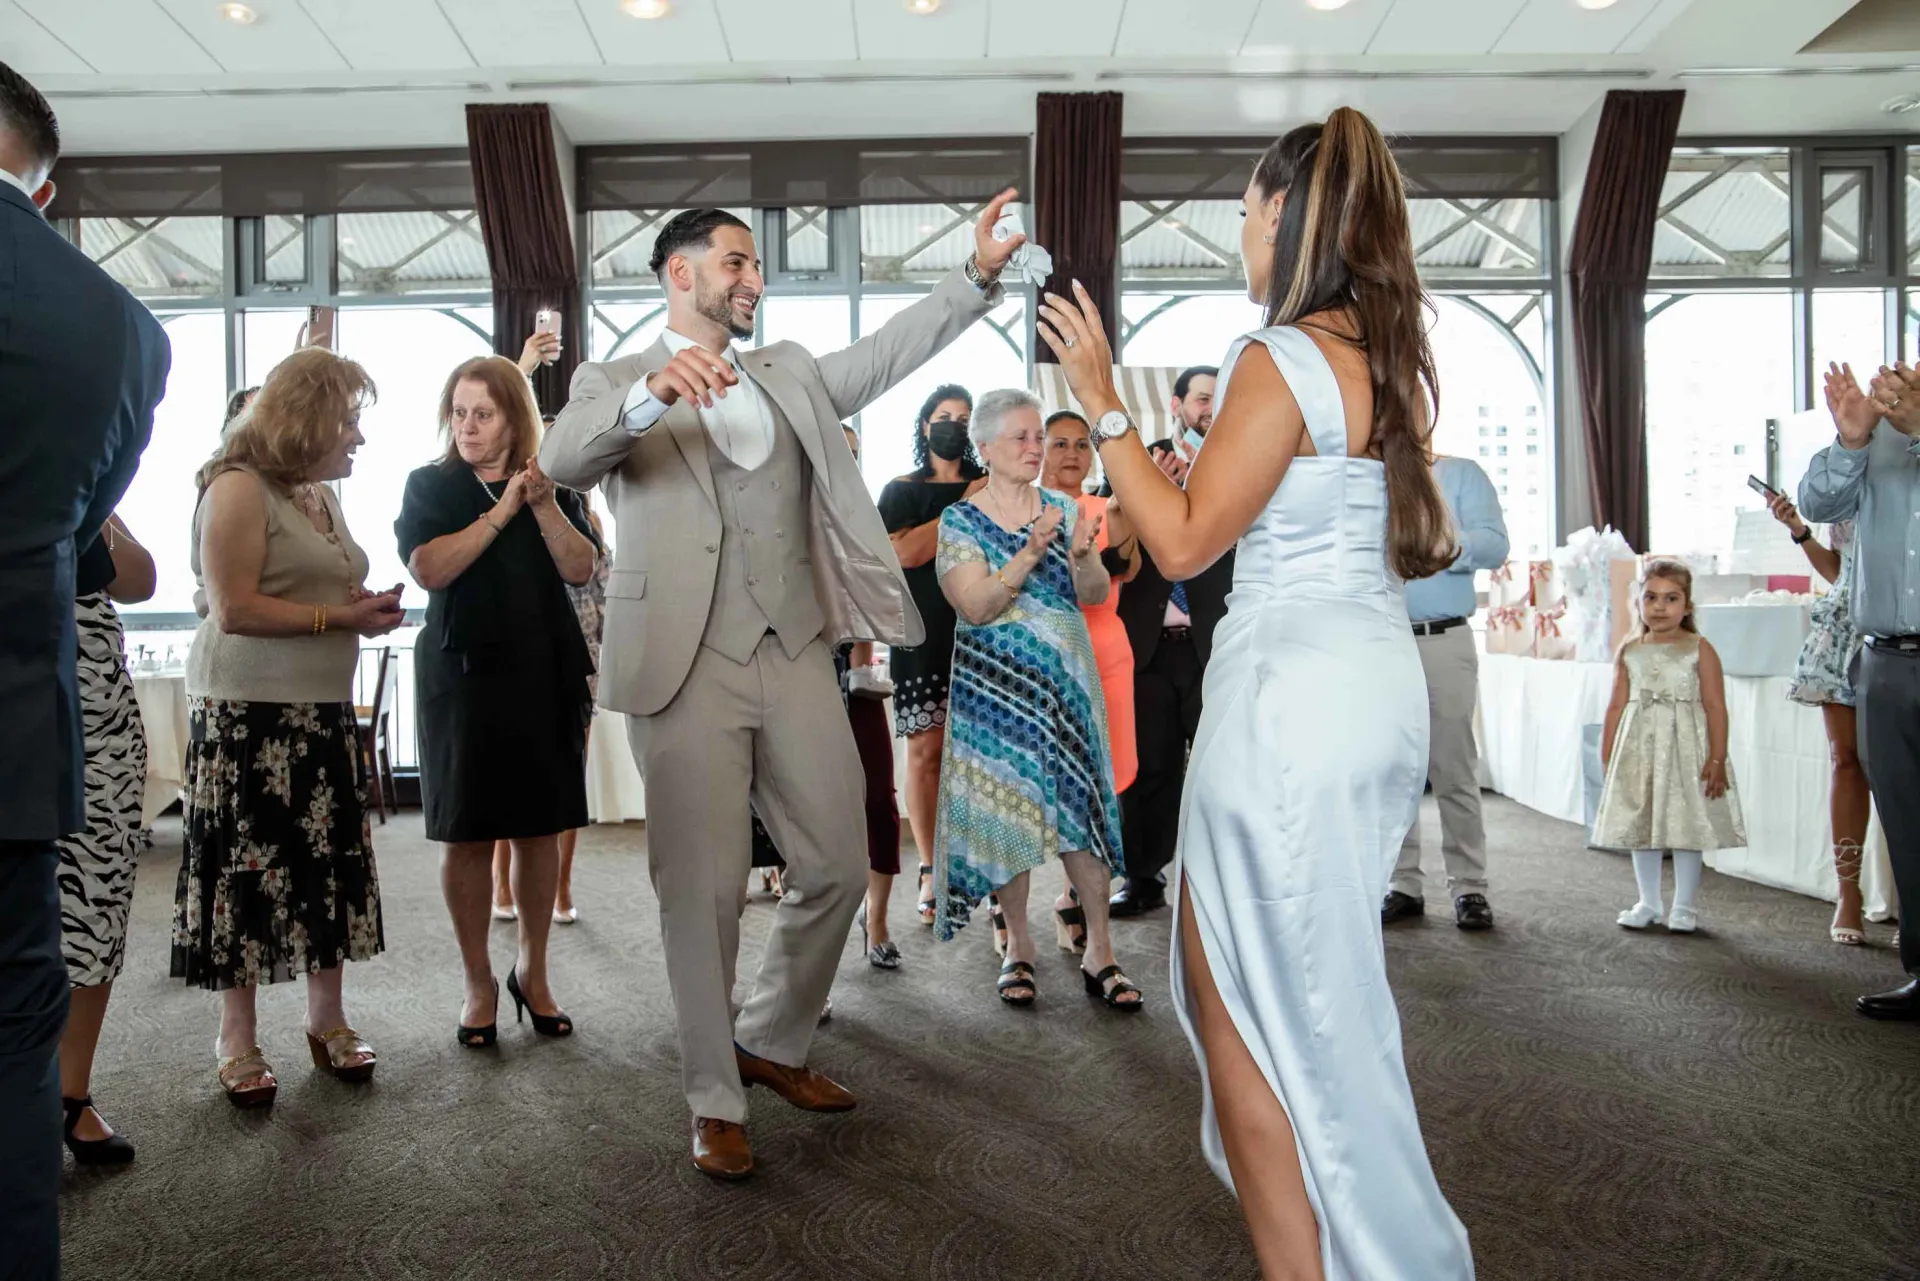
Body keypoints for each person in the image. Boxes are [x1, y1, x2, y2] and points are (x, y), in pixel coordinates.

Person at [1037, 107, 1475, 1277]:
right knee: (1318, 1001)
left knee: (1244, 1005)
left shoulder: (1276, 356)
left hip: (1290, 702)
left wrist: (1103, 398)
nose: (1240, 231)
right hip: (1370, 685)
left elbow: (1182, 543)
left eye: (1244, 210)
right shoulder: (1387, 358)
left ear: (1283, 213)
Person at [540, 195, 1023, 1180]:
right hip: (682, 661)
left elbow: (886, 354)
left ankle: (768, 1037)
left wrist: (974, 277)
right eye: (736, 262)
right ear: (681, 273)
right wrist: (653, 395)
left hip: (796, 648)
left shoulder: (790, 371)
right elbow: (563, 457)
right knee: (703, 890)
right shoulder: (615, 379)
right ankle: (714, 1098)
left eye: (756, 265)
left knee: (840, 859)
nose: (753, 279)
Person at [0, 59, 167, 1271]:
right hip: (19, 742)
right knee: (15, 1039)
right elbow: (82, 539)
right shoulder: (122, 331)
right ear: (46, 192)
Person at [177, 346, 404, 1108]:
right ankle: (236, 1035)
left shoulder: (319, 493)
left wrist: (360, 607)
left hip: (321, 710)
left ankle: (325, 1018)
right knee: (245, 873)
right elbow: (233, 607)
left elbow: (318, 588)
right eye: (349, 421)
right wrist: (340, 617)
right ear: (307, 421)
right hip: (248, 717)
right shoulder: (237, 486)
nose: (359, 437)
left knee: (323, 868)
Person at [397, 356, 599, 1049]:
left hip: (542, 673)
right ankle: (478, 981)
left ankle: (532, 971)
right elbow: (429, 567)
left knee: (539, 828)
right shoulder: (431, 485)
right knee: (467, 832)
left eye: (482, 414)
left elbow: (581, 567)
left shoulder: (553, 485)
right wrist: (502, 509)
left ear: (515, 419)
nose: (467, 427)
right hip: (461, 677)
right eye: (458, 413)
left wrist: (538, 503)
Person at [931, 390, 1135, 1012]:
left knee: (1083, 815)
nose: (1034, 447)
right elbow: (975, 605)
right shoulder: (960, 522)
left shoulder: (1064, 507)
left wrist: (1081, 555)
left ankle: (1100, 950)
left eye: (1037, 436)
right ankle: (1018, 946)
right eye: (1020, 437)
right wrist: (1029, 551)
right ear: (985, 448)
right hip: (995, 695)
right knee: (1006, 815)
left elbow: (1094, 593)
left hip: (1066, 688)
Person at [1801, 360, 1920, 1019]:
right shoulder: (1874, 437)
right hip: (1884, 659)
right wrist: (1851, 438)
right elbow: (1818, 506)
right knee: (1905, 822)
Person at [1109, 366, 1234, 918]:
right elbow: (1107, 543)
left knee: (1220, 768)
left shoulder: (1238, 466)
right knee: (1149, 769)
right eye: (1202, 398)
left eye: (1218, 399)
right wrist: (1144, 494)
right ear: (1177, 404)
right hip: (1148, 646)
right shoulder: (1139, 461)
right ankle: (1143, 876)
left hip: (1216, 644)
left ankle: (1220, 878)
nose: (1210, 408)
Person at [56, 516, 155, 1166]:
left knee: (97, 903)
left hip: (100, 723)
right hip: (24, 691)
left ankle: (71, 1095)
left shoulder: (84, 482)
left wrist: (97, 508)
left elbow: (141, 580)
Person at [1384, 453, 1508, 931]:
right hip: (1380, 643)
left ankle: (1469, 887)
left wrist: (1446, 543)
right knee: (1393, 770)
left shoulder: (1461, 474)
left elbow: (1496, 546)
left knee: (1454, 769)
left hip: (1444, 638)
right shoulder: (1369, 474)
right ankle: (1402, 883)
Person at [876, 385, 983, 926]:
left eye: (964, 419)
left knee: (982, 756)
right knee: (926, 752)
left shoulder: (992, 483)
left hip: (985, 630)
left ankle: (981, 865)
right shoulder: (901, 490)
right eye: (944, 417)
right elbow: (903, 553)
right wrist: (962, 508)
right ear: (924, 426)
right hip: (922, 632)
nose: (953, 427)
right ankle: (929, 865)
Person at [1593, 560, 1745, 934]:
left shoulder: (1699, 649)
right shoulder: (1630, 650)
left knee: (1685, 823)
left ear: (1687, 605)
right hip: (1639, 749)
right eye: (1651, 597)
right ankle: (1648, 902)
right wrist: (1608, 754)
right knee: (1640, 822)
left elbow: (1715, 705)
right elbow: (1615, 706)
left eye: (1671, 598)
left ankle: (1684, 905)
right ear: (1638, 601)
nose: (1659, 607)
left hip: (1685, 749)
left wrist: (1717, 758)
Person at [1042, 408, 1140, 950]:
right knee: (1042, 781)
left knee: (1100, 783)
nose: (1073, 453)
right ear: (1038, 449)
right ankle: (1008, 911)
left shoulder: (1111, 509)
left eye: (1082, 444)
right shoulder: (1017, 509)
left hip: (1105, 654)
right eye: (1060, 443)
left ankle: (1073, 897)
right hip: (1044, 657)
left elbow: (1131, 567)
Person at [1766, 489, 1870, 944]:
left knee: (1902, 771)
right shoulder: (1845, 486)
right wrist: (1799, 531)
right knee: (1845, 761)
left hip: (1901, 633)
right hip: (1843, 632)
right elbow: (1840, 571)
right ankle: (1849, 893)